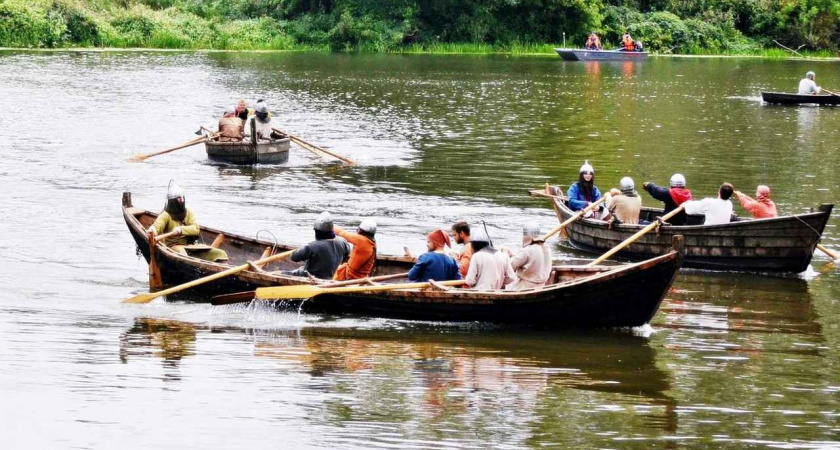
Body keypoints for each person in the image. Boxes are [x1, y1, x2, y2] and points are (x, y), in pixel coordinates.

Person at [147, 182, 228, 262]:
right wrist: (152, 230)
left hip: (190, 246)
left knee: (220, 253)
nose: (180, 202)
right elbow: (157, 226)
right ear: (172, 202)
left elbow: (196, 229)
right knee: (182, 253)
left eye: (181, 199)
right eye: (178, 200)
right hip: (173, 247)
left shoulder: (188, 212)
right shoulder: (166, 215)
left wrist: (181, 230)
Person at [287, 212, 350, 279]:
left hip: (311, 278)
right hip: (332, 277)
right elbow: (347, 256)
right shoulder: (343, 241)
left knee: (283, 273)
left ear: (317, 231)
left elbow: (293, 257)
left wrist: (299, 251)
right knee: (301, 268)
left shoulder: (312, 246)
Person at [505, 223, 552, 291]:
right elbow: (530, 259)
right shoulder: (547, 248)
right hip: (541, 285)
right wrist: (513, 255)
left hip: (524, 287)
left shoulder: (528, 250)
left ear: (526, 235)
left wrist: (505, 256)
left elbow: (510, 266)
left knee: (507, 284)